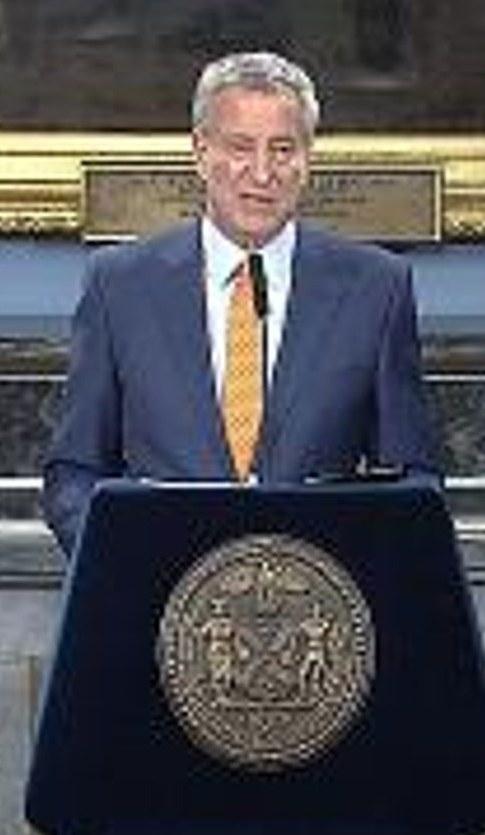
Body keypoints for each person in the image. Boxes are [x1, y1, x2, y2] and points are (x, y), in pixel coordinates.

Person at [42, 50, 439, 554]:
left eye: (282, 149)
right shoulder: (118, 285)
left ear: (307, 158)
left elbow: (415, 482)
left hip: (316, 608)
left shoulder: (377, 288)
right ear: (200, 151)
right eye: (240, 147)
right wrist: (125, 566)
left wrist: (351, 570)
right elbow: (73, 474)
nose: (261, 173)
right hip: (162, 603)